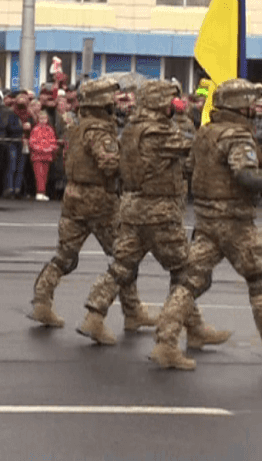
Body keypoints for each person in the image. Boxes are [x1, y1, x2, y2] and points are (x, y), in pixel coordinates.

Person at [76, 80, 230, 351]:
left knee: (122, 267)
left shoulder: (133, 128)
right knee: (186, 272)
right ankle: (183, 334)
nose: (175, 106)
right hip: (159, 213)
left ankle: (94, 315)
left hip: (133, 210)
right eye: (171, 101)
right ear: (161, 102)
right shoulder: (157, 132)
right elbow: (194, 149)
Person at [150, 79, 262, 370]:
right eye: (251, 104)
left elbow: (190, 168)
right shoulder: (238, 136)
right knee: (259, 279)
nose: (255, 110)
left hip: (206, 219)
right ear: (240, 107)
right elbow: (245, 176)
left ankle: (165, 342)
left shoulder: (205, 133)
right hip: (235, 222)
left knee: (190, 282)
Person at [28, 78, 153, 330]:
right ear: (102, 103)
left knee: (65, 257)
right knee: (124, 257)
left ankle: (42, 301)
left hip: (73, 198)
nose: (115, 105)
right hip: (99, 201)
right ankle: (130, 311)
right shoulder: (98, 131)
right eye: (111, 99)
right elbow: (109, 164)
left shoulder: (78, 125)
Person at [28, 111, 59, 201]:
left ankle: (42, 192)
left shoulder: (50, 129)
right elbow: (32, 142)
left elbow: (53, 141)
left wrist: (49, 148)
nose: (43, 120)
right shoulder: (35, 129)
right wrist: (43, 149)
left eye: (44, 118)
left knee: (45, 175)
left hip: (47, 156)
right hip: (37, 156)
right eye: (41, 118)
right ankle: (39, 192)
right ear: (38, 119)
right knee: (39, 175)